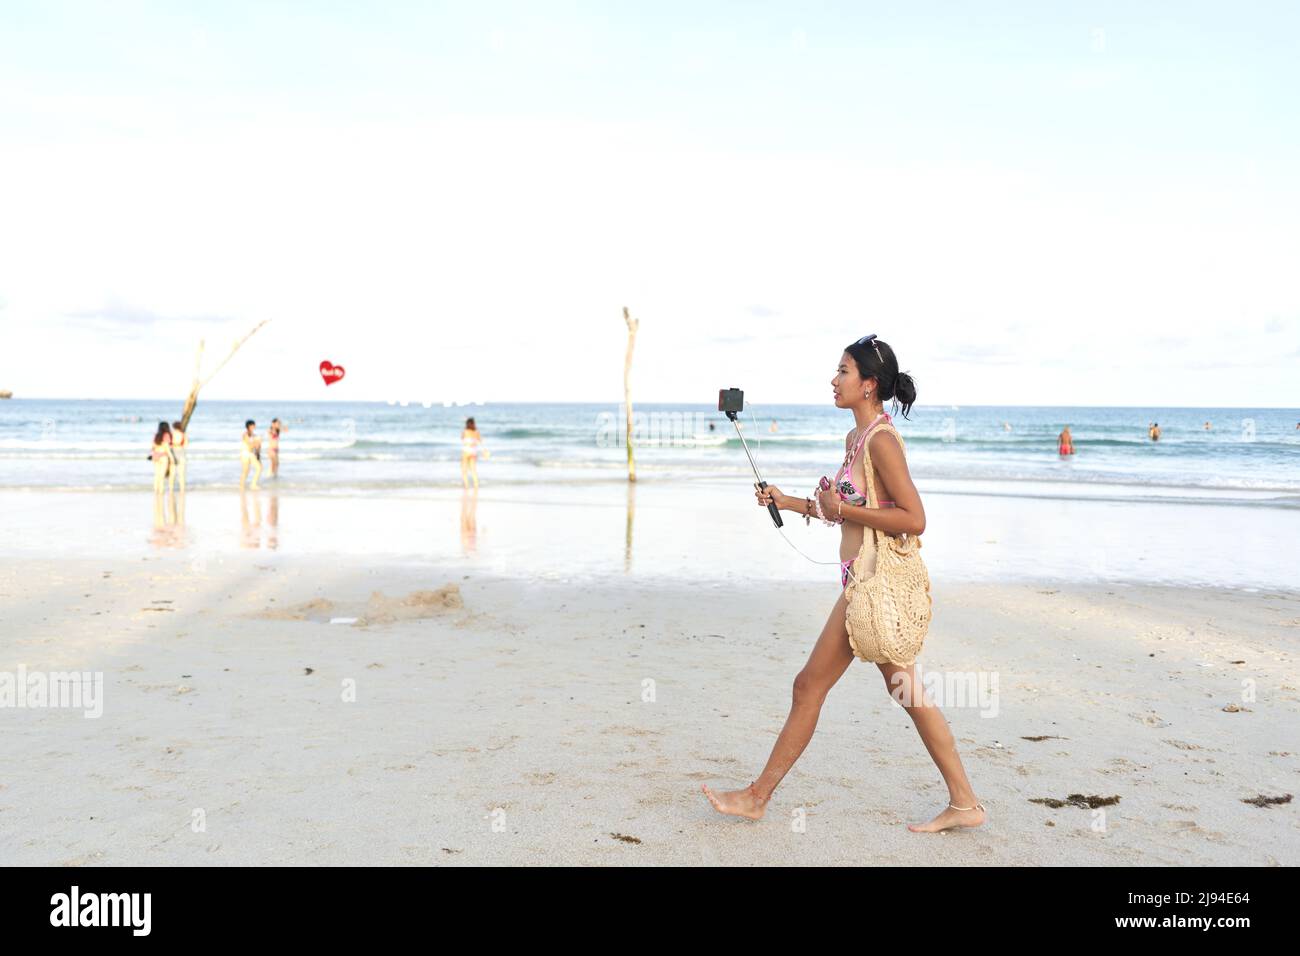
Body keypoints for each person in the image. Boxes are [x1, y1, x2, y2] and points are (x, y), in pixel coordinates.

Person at [701, 334, 985, 833]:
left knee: (878, 690)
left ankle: (757, 797)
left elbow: (913, 518)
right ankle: (962, 802)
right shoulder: (856, 439)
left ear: (869, 384)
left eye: (843, 372)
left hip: (875, 587)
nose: (833, 380)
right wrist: (789, 502)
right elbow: (846, 514)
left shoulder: (880, 440)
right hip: (858, 583)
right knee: (849, 688)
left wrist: (842, 507)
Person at [460, 417, 485, 490]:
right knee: (473, 470)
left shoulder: (465, 431)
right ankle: (476, 485)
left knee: (464, 470)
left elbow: (462, 438)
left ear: (467, 424)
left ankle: (467, 486)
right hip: (473, 452)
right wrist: (484, 451)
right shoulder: (476, 432)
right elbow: (480, 441)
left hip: (465, 452)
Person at [150, 421, 174, 496]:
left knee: (156, 475)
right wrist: (172, 458)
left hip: (156, 456)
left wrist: (154, 455)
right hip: (163, 456)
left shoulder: (156, 435)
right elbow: (167, 448)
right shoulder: (166, 435)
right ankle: (161, 492)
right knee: (162, 475)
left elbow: (152, 447)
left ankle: (155, 491)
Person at [241, 419, 262, 490]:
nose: (254, 426)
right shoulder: (245, 434)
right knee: (246, 471)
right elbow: (250, 445)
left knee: (259, 468)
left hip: (252, 454)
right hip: (245, 454)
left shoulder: (255, 435)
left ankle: (253, 484)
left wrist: (258, 450)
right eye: (253, 425)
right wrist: (256, 442)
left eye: (254, 425)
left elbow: (257, 446)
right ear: (249, 426)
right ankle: (241, 486)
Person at [170, 421, 188, 493]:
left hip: (173, 454)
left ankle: (171, 490)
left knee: (172, 473)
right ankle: (182, 490)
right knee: (182, 474)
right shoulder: (183, 435)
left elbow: (169, 445)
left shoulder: (171, 434)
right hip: (182, 453)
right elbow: (186, 445)